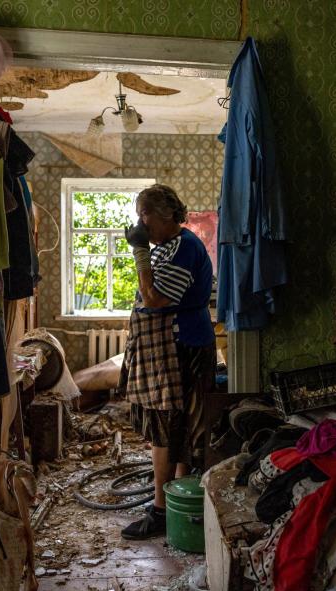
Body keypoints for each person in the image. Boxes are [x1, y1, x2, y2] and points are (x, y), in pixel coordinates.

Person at [119, 184, 216, 540]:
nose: (140, 223)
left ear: (166, 214)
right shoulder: (169, 247)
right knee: (174, 428)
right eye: (139, 214)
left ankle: (160, 511)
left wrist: (140, 252)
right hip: (170, 345)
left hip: (181, 345)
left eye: (144, 214)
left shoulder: (184, 246)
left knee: (168, 427)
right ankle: (173, 500)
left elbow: (156, 298)